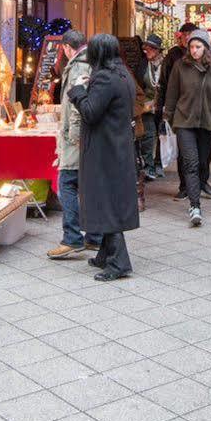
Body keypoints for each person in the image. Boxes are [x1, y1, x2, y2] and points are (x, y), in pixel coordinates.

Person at [76, 32, 140, 280]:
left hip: (104, 149)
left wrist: (78, 91)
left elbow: (90, 112)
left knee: (105, 200)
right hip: (118, 146)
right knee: (108, 198)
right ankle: (104, 254)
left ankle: (118, 262)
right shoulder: (123, 74)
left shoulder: (104, 78)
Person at [162, 29, 211, 226]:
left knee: (201, 162)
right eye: (191, 47)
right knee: (190, 162)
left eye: (198, 47)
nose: (194, 50)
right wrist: (168, 118)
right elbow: (171, 94)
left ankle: (200, 186)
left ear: (206, 48)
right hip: (184, 122)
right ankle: (194, 205)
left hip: (206, 122)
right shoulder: (180, 67)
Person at [47, 33, 98, 261]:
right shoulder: (90, 60)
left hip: (75, 139)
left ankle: (72, 237)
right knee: (86, 186)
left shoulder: (79, 66)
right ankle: (95, 235)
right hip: (83, 137)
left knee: (66, 183)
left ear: (68, 47)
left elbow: (76, 105)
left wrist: (74, 136)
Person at [156, 22, 196, 194]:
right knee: (183, 148)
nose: (187, 37)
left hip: (200, 110)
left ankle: (200, 179)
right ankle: (184, 186)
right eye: (184, 34)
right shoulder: (173, 55)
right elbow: (164, 83)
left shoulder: (204, 53)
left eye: (190, 34)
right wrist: (163, 109)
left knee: (204, 149)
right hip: (179, 110)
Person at [136, 34, 165, 180]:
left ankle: (159, 163)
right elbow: (138, 85)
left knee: (162, 136)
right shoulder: (142, 64)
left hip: (163, 106)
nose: (145, 50)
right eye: (145, 48)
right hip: (146, 107)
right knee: (148, 136)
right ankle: (148, 166)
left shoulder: (166, 64)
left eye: (148, 48)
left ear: (157, 50)